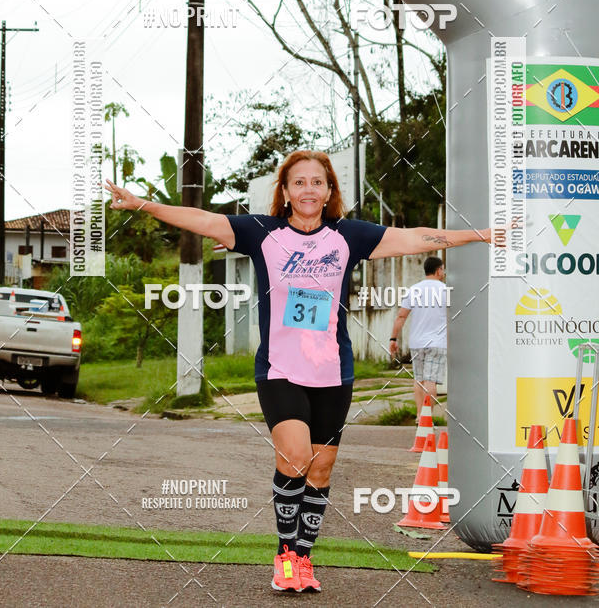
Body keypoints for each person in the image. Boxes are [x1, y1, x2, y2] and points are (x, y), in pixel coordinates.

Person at [105, 149, 491, 594]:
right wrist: (142, 205)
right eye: (299, 182)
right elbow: (202, 219)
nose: (309, 189)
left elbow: (416, 238)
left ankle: (304, 559)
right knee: (294, 459)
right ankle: (285, 555)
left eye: (317, 182)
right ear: (285, 192)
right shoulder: (260, 232)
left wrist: (478, 235)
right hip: (280, 369)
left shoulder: (349, 236)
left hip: (333, 371)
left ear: (329, 191)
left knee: (321, 471)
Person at [389, 256, 448, 421]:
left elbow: (401, 316)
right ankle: (427, 418)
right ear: (438, 271)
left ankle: (419, 415)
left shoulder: (414, 290)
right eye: (443, 269)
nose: (443, 272)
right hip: (437, 343)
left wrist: (393, 339)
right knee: (431, 381)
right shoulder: (446, 290)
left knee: (419, 379)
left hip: (416, 342)